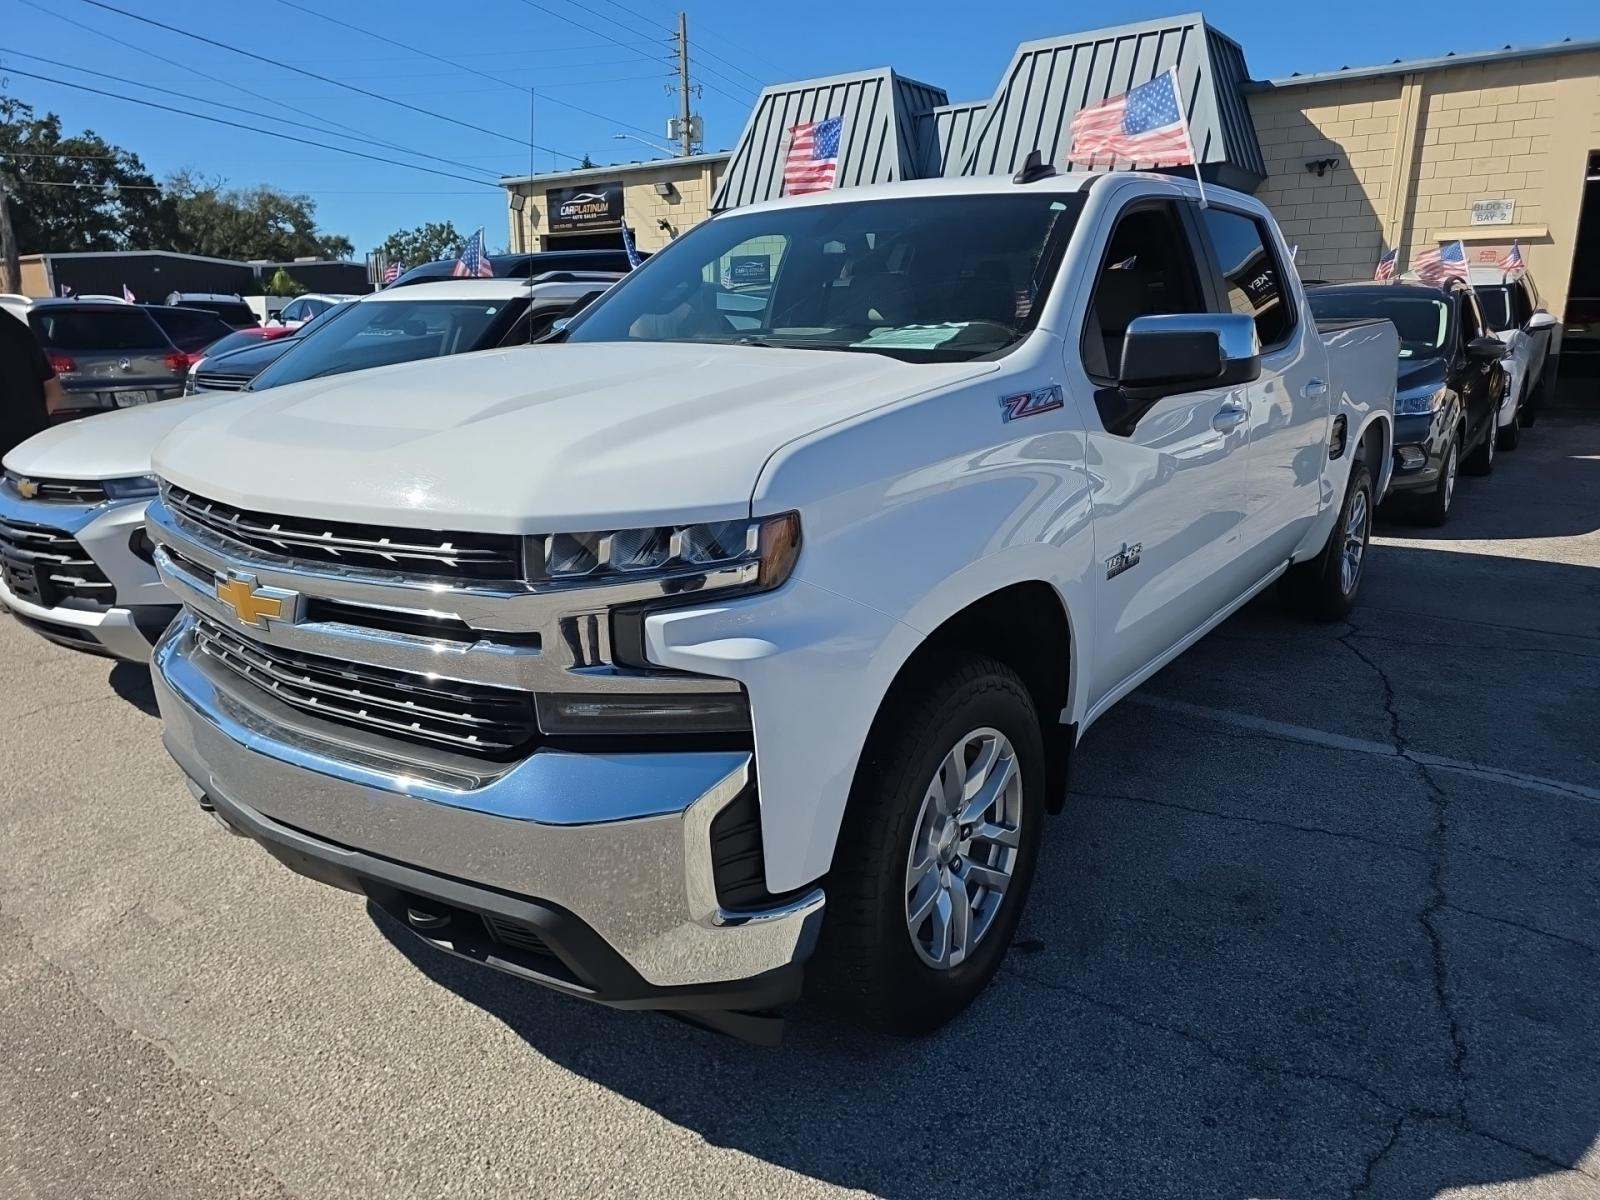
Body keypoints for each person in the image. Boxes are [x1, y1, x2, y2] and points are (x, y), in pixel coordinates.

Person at [0, 308, 64, 460]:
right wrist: (37, 418)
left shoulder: (15, 329)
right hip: (28, 447)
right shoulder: (17, 329)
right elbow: (53, 386)